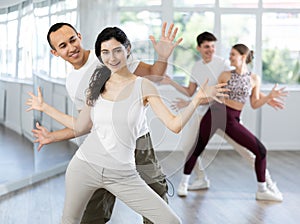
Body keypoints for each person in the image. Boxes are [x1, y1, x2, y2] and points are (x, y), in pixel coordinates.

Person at [49, 26, 228, 223]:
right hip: (85, 165)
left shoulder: (143, 85)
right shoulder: (95, 81)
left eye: (117, 50)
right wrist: (46, 112)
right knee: (80, 219)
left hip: (124, 167)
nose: (112, 58)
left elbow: (174, 124)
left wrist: (196, 98)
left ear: (128, 49)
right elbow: (83, 125)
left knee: (168, 218)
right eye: (106, 53)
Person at [26, 22, 183, 224]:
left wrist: (163, 56)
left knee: (155, 199)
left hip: (138, 142)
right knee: (93, 213)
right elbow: (86, 124)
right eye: (62, 46)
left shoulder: (110, 52)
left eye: (72, 40)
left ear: (79, 36)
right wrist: (52, 136)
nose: (71, 47)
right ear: (55, 52)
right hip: (102, 149)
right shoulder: (72, 82)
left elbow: (156, 74)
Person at [160, 31, 286, 196]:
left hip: (229, 116)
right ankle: (195, 180)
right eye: (207, 46)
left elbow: (245, 85)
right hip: (210, 112)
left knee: (249, 153)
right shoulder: (199, 67)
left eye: (213, 46)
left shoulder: (225, 64)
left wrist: (268, 97)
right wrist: (172, 83)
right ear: (199, 48)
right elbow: (192, 91)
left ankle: (268, 184)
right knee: (191, 147)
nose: (211, 50)